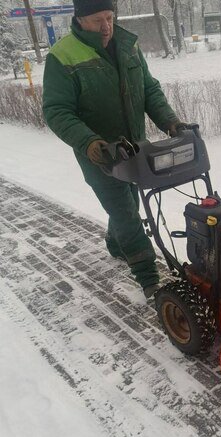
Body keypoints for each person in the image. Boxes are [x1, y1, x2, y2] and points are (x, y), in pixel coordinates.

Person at [42, 0, 185, 299]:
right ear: (80, 19)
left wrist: (170, 121)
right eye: (97, 20)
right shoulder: (62, 56)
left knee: (128, 201)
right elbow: (57, 111)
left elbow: (148, 89)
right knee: (126, 214)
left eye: (109, 17)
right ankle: (150, 281)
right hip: (99, 155)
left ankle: (115, 243)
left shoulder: (127, 45)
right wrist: (90, 142)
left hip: (134, 147)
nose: (106, 26)